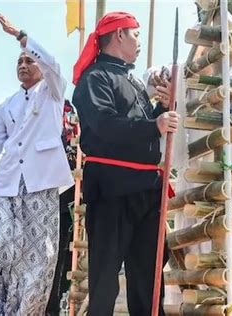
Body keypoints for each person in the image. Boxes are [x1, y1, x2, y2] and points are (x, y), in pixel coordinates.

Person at [0, 12, 73, 315]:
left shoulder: (52, 93)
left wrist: (20, 37)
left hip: (42, 183)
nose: (24, 65)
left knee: (41, 256)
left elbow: (53, 64)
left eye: (29, 61)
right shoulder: (6, 106)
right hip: (9, 184)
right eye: (19, 62)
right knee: (3, 249)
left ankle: (28, 311)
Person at [71, 11, 179, 316]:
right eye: (135, 34)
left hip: (147, 190)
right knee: (105, 281)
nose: (138, 41)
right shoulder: (94, 78)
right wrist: (154, 124)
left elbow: (142, 124)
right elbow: (105, 125)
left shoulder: (130, 79)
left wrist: (163, 107)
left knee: (148, 277)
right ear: (118, 34)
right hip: (111, 189)